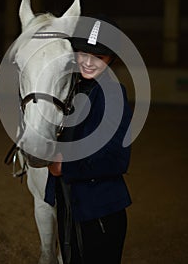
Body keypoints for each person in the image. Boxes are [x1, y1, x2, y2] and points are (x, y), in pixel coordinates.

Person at [45, 17, 132, 264]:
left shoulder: (113, 94)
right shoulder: (73, 87)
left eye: (99, 57)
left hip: (100, 211)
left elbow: (118, 159)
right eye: (83, 53)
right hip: (70, 203)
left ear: (111, 59)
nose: (88, 62)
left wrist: (66, 166)